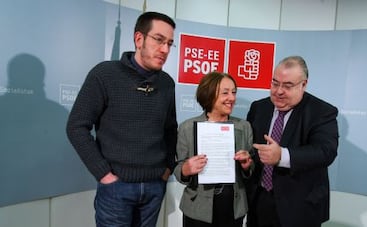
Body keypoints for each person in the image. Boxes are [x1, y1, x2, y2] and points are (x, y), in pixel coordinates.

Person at [66, 11, 177, 227]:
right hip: (116, 187)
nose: (165, 49)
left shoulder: (166, 83)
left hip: (155, 187)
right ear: (139, 39)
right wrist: (104, 174)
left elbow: (170, 129)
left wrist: (167, 169)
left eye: (170, 43)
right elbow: (76, 126)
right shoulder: (105, 74)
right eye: (159, 40)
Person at [246, 56, 339, 227]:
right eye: (275, 83)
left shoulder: (321, 111)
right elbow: (252, 150)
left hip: (300, 207)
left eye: (287, 86)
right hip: (259, 202)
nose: (279, 91)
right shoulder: (258, 108)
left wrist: (282, 155)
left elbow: (326, 151)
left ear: (303, 84)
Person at [173, 72, 254, 227]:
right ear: (209, 95)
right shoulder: (187, 127)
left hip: (233, 207)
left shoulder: (244, 127)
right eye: (225, 93)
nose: (232, 98)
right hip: (197, 208)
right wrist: (185, 169)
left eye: (233, 92)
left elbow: (251, 169)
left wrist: (247, 165)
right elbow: (178, 168)